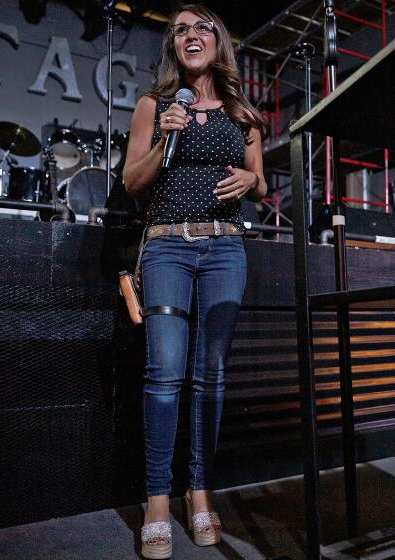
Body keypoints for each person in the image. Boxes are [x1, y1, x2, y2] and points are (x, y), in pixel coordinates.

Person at [122, 4, 267, 558]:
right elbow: (133, 182)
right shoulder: (154, 106)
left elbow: (258, 186)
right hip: (167, 248)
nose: (190, 35)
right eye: (179, 29)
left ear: (218, 41)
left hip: (226, 247)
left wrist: (253, 176)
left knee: (212, 375)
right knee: (164, 371)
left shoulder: (241, 112)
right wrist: (164, 140)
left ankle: (199, 491)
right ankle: (157, 499)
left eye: (200, 26)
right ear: (173, 47)